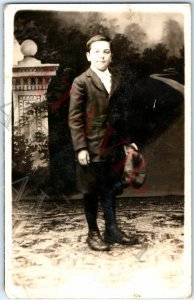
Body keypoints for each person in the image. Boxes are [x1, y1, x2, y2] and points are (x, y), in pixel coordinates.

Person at [69, 35, 139, 251]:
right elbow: (74, 117)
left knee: (109, 188)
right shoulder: (81, 81)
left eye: (106, 51)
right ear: (89, 55)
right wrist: (80, 147)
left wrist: (128, 142)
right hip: (90, 146)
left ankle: (112, 230)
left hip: (113, 146)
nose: (102, 55)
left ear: (111, 55)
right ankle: (93, 233)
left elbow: (121, 115)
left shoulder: (115, 80)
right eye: (97, 51)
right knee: (91, 190)